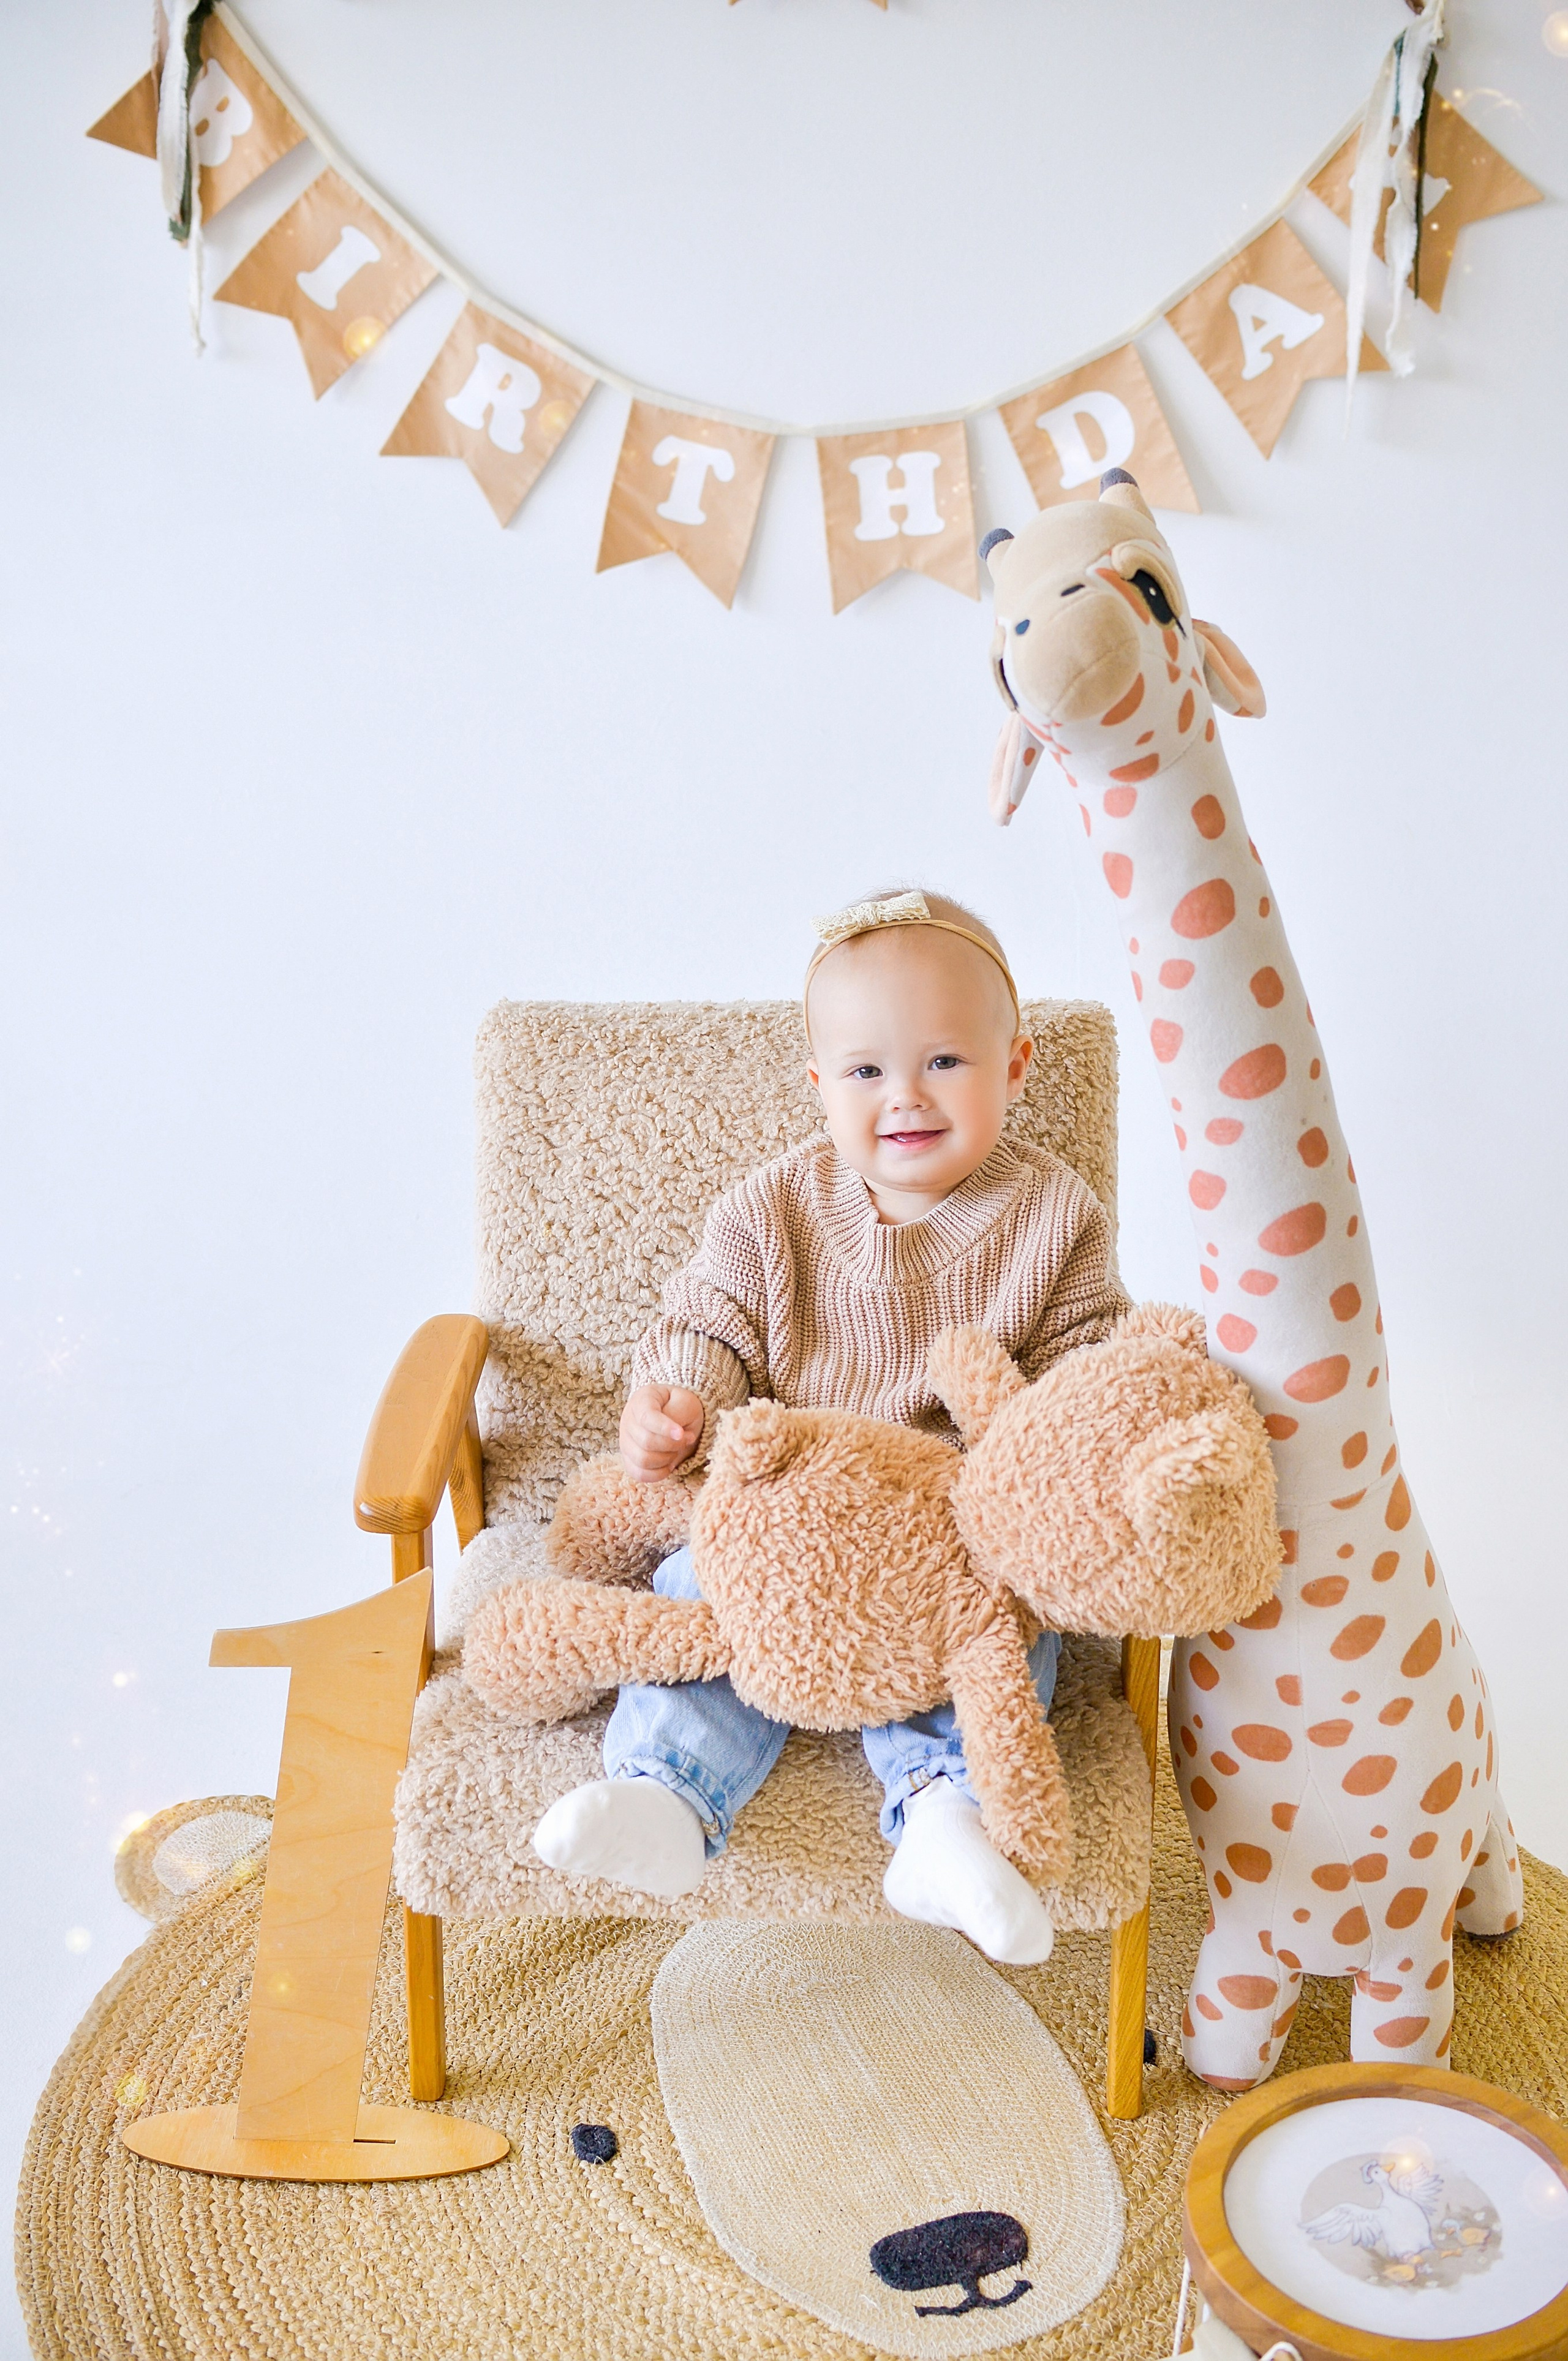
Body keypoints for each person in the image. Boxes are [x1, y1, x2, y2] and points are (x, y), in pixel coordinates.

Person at [532, 887, 1128, 1963]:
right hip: (784, 1516)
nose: (904, 1096)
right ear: (820, 1086)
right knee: (695, 1599)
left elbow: (1088, 1361)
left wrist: (1052, 1454)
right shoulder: (775, 1210)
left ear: (1016, 1067)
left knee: (999, 1645)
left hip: (946, 1532)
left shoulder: (1053, 1215)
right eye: (865, 1072)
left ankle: (943, 1819)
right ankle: (664, 1795)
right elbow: (708, 1318)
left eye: (944, 1062)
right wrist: (678, 1398)